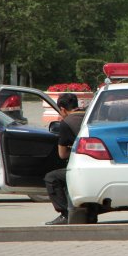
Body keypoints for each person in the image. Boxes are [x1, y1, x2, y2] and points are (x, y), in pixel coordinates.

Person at [44, 93, 86, 225]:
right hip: (98, 164)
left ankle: (65, 214)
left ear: (62, 109)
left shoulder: (66, 123)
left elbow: (62, 154)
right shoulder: (89, 116)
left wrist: (73, 149)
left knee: (51, 178)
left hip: (81, 167)